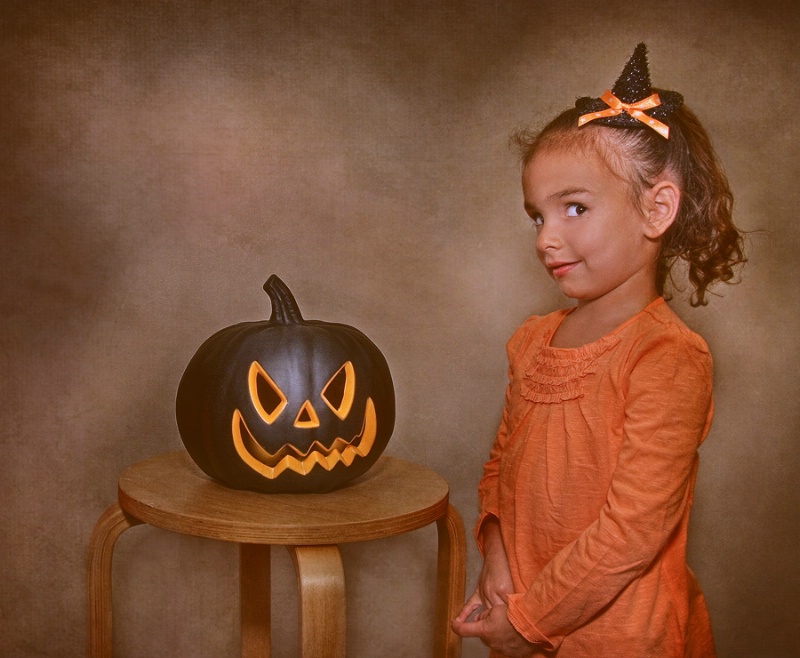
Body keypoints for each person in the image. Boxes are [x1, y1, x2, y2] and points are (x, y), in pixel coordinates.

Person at [451, 43, 746, 657]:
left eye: (575, 208)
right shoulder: (532, 341)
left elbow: (631, 531)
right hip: (528, 616)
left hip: (621, 639)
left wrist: (529, 620)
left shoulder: (666, 356)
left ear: (657, 208)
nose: (547, 238)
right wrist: (499, 569)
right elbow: (500, 470)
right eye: (537, 217)